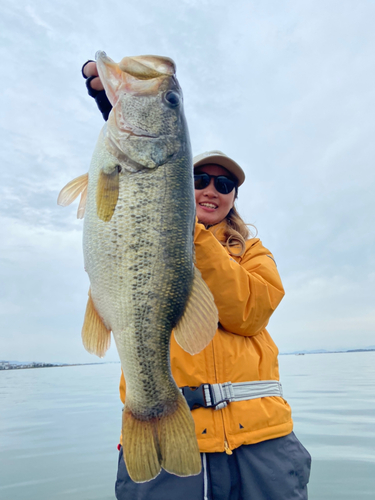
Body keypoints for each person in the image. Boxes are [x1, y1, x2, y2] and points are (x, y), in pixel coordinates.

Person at [81, 61, 311, 500]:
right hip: (172, 429)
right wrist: (118, 116)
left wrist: (186, 226)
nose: (211, 189)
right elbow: (123, 194)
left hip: (263, 438)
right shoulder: (150, 216)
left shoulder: (254, 253)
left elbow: (248, 313)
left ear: (234, 198)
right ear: (180, 181)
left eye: (224, 184)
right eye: (200, 178)